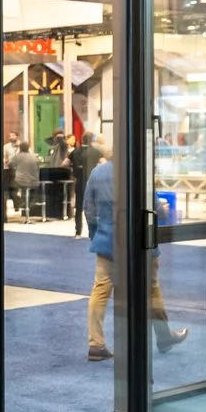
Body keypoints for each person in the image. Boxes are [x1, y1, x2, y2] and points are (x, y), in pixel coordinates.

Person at [84, 155, 117, 364]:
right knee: (149, 288)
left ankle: (96, 343)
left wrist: (96, 234)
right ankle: (160, 334)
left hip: (107, 240)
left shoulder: (98, 172)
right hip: (133, 241)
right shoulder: (138, 169)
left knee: (101, 290)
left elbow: (88, 208)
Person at [70, 134, 102, 237]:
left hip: (80, 182)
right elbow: (103, 163)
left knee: (79, 208)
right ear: (91, 140)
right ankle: (92, 231)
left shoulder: (75, 152)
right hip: (93, 182)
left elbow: (65, 163)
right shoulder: (96, 152)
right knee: (93, 207)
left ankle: (78, 231)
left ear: (82, 139)